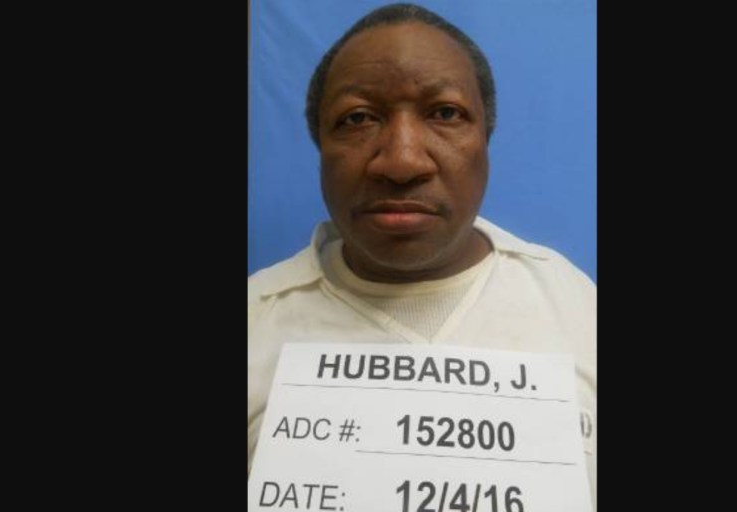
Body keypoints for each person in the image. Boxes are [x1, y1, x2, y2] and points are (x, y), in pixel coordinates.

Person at [248, 2, 596, 503]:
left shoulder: (579, 310)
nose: (402, 162)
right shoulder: (256, 319)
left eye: (445, 113)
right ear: (320, 147)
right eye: (358, 118)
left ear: (485, 140)